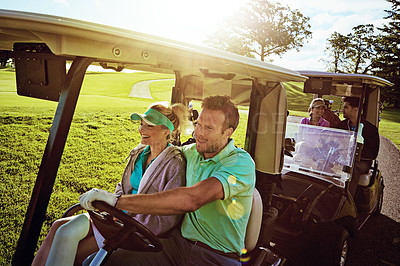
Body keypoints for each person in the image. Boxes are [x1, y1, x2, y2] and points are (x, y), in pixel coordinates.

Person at [79, 95, 256, 265]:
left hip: (216, 256)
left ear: (228, 132)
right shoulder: (192, 152)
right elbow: (164, 153)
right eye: (198, 124)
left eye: (208, 128)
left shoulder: (240, 163)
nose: (199, 133)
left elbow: (192, 199)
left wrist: (117, 202)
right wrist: (146, 145)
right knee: (98, 262)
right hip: (178, 246)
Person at [32, 103, 189, 266]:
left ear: (166, 130)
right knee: (60, 227)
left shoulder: (174, 164)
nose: (142, 130)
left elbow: (168, 216)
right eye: (141, 124)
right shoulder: (139, 154)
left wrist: (127, 221)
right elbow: (122, 188)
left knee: (77, 253)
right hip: (117, 218)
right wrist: (114, 209)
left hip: (136, 229)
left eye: (149, 126)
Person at [335, 96, 379, 196]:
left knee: (352, 167)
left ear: (355, 110)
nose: (343, 110)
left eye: (346, 107)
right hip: (341, 158)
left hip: (361, 161)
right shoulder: (341, 125)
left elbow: (372, 153)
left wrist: (352, 154)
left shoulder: (370, 129)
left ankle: (346, 199)